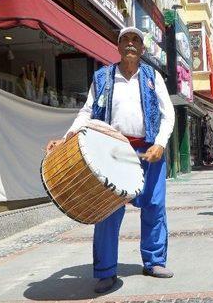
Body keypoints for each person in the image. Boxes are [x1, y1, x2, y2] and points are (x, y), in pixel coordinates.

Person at [46, 27, 175, 293]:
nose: (130, 43)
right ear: (117, 46)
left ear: (142, 48)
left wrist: (161, 143)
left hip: (149, 150)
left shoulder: (154, 77)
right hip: (112, 151)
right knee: (107, 210)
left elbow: (168, 114)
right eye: (125, 39)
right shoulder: (103, 77)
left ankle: (154, 261)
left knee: (153, 206)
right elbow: (87, 112)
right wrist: (67, 137)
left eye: (135, 40)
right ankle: (105, 270)